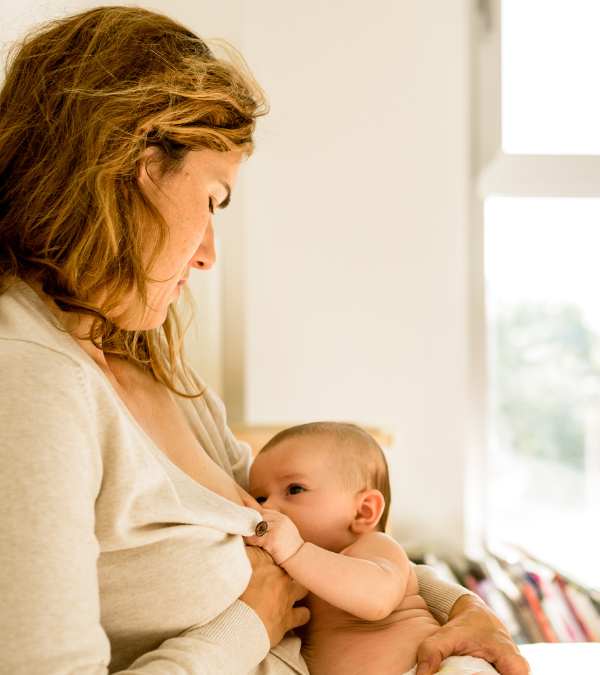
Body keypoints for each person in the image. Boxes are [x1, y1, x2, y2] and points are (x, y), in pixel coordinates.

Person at [0, 6, 530, 675]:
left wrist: (462, 609)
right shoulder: (30, 381)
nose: (209, 255)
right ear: (134, 162)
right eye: (215, 200)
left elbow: (315, 547)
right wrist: (251, 622)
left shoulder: (148, 363)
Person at [246, 421, 500, 675]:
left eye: (294, 489)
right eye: (260, 497)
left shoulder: (374, 547)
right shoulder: (290, 574)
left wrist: (296, 551)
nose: (267, 508)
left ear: (363, 511)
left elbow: (377, 599)